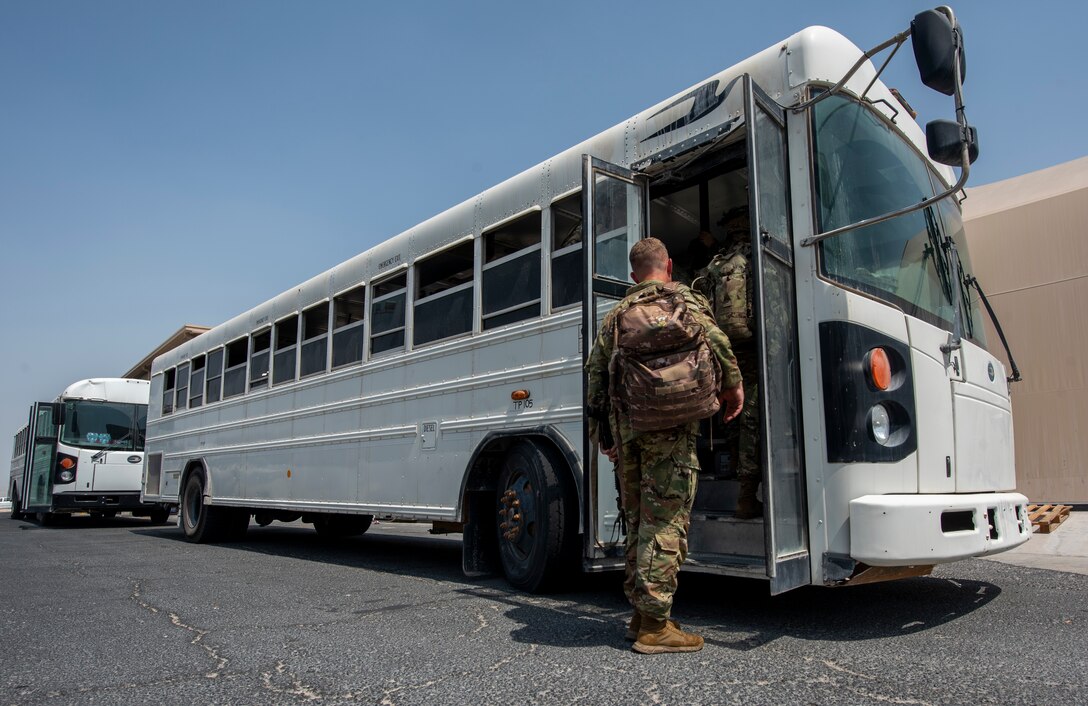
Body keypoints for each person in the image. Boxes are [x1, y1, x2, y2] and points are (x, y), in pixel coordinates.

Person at [585, 237, 744, 655]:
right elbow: (720, 343)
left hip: (629, 428)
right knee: (667, 519)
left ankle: (640, 614)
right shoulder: (686, 301)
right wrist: (733, 387)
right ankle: (655, 626)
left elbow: (595, 377)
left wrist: (604, 435)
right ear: (668, 265)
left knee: (638, 519)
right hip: (671, 431)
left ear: (633, 274)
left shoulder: (617, 315)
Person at [715, 210, 762, 519]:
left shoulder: (716, 264)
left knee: (731, 406)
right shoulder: (757, 256)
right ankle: (747, 494)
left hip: (725, 347)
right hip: (754, 347)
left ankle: (732, 466)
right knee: (752, 415)